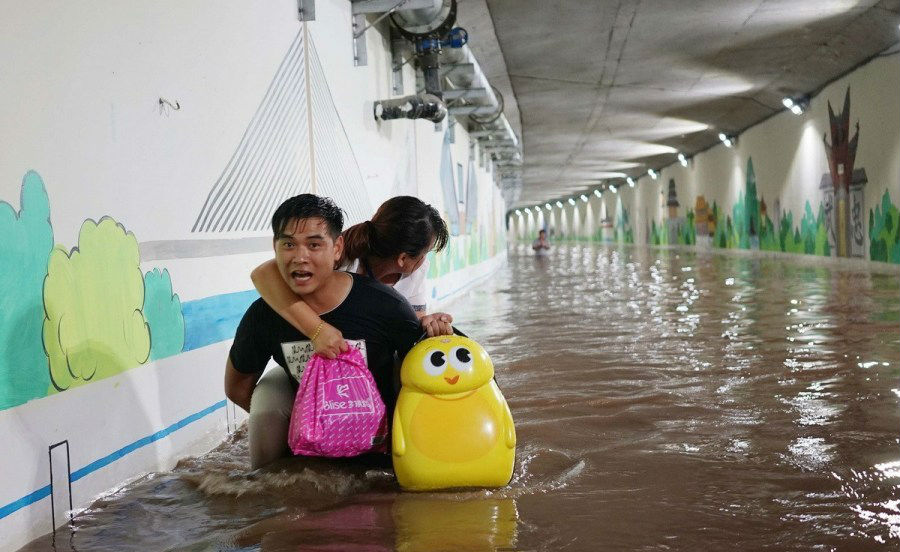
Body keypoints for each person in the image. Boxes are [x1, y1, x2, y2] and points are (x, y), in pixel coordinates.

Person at [224, 194, 423, 469]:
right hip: (310, 455)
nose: (300, 257)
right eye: (288, 244)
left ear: (337, 247)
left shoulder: (384, 305)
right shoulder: (264, 315)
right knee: (267, 401)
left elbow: (427, 369)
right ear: (275, 248)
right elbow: (237, 388)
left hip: (378, 453)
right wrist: (309, 422)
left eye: (314, 244)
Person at [251, 196, 454, 359]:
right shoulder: (341, 257)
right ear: (402, 258)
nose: (424, 260)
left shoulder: (416, 271)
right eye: (424, 253)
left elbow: (411, 320)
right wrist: (317, 330)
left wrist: (428, 323)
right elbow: (263, 274)